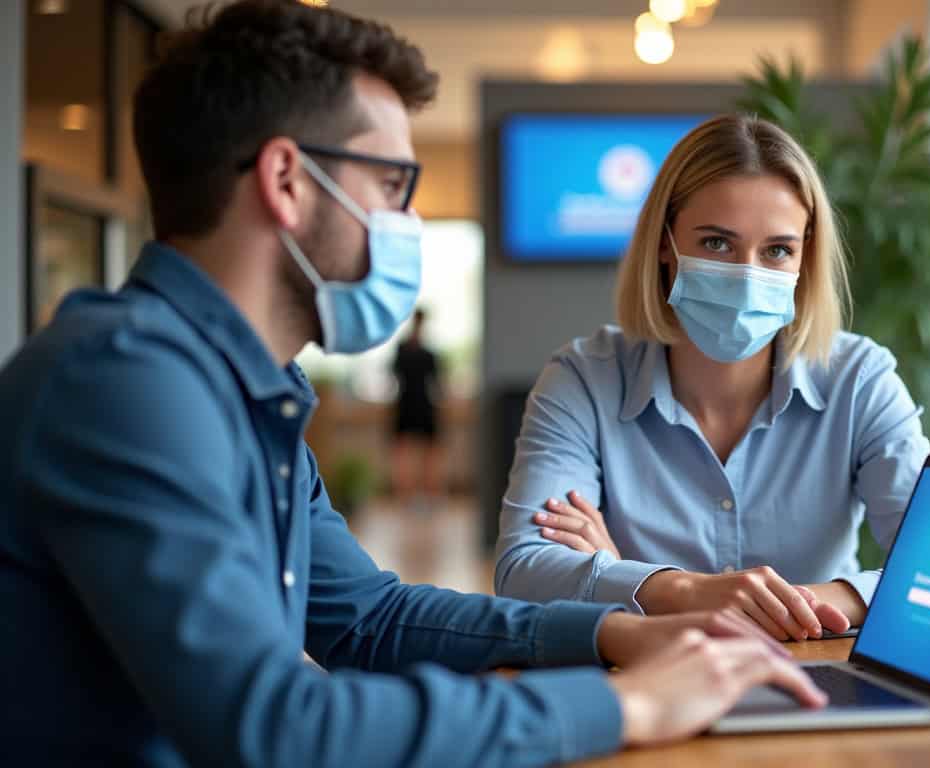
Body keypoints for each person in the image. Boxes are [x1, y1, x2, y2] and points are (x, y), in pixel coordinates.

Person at [0, 4, 824, 766]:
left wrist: (614, 632)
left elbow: (368, 619)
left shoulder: (244, 392)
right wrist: (627, 705)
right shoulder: (121, 382)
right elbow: (274, 728)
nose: (408, 222)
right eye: (392, 185)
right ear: (287, 182)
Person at [494, 115, 930, 642]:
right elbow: (524, 571)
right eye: (717, 244)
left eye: (777, 250)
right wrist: (687, 591)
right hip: (648, 678)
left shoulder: (860, 379)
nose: (748, 275)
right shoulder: (584, 380)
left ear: (805, 258)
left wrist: (631, 583)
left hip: (815, 672)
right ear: (664, 243)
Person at [391, 307, 445, 508]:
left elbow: (438, 383)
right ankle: (405, 495)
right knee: (404, 452)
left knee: (430, 453)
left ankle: (431, 494)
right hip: (406, 404)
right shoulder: (402, 350)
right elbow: (394, 376)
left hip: (424, 405)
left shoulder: (429, 354)